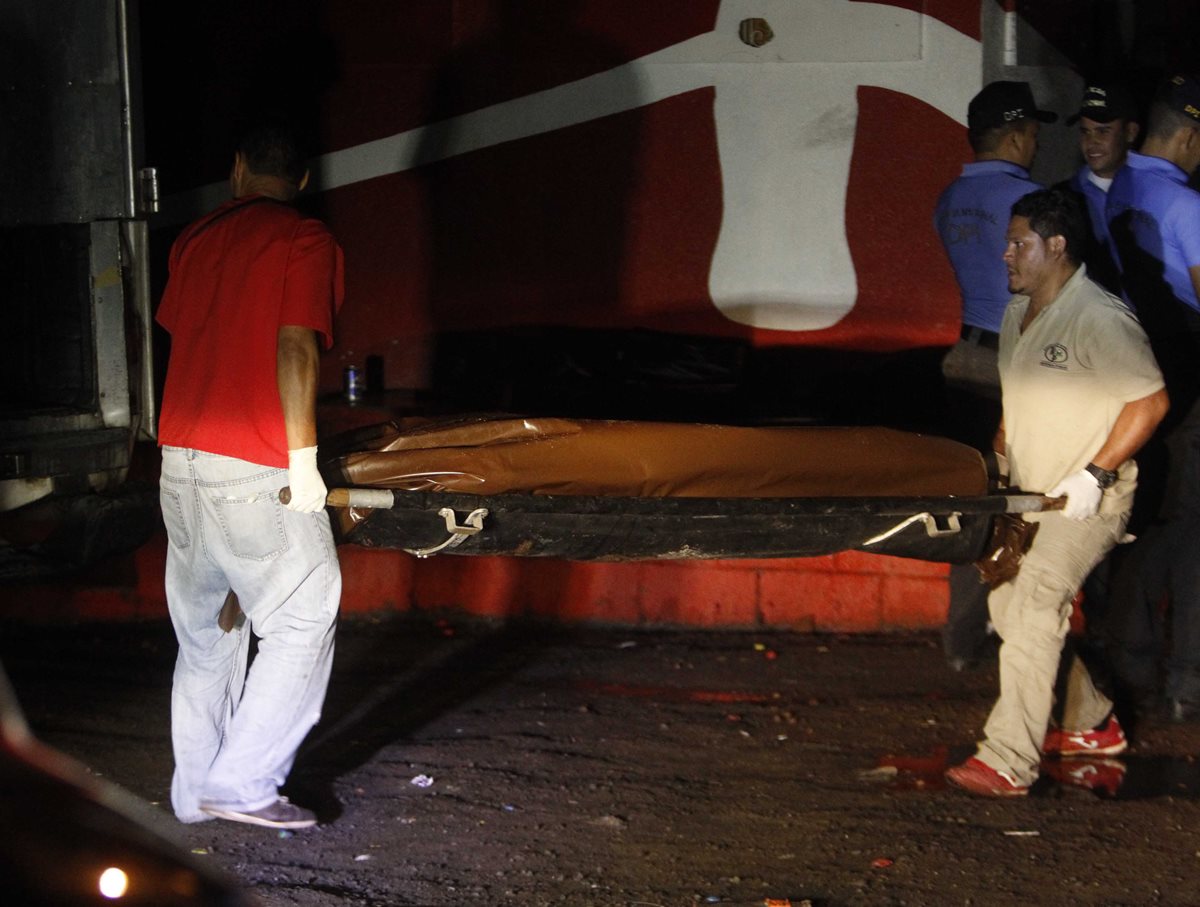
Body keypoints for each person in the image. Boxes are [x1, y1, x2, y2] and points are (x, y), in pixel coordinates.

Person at [945, 189, 1168, 797]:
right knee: (1006, 609)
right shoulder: (1019, 316)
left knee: (1037, 603)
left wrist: (1096, 475)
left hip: (1086, 502)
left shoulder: (1100, 317)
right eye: (1008, 243)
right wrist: (994, 468)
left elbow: (1150, 402)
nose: (1006, 254)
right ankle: (1091, 722)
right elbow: (1013, 412)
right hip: (1028, 497)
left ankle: (1008, 760)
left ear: (1057, 246)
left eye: (1019, 243)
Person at [156, 120, 345, 828]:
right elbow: (294, 346)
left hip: (181, 466)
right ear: (302, 180)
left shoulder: (194, 239)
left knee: (207, 639)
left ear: (237, 170)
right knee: (302, 613)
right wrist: (303, 464)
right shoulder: (306, 238)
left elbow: (190, 340)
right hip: (254, 464)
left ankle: (193, 795)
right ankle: (241, 782)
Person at [934, 81, 1056, 670]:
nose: (1035, 143)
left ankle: (961, 636)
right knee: (1025, 497)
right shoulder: (1033, 201)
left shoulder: (951, 198)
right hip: (1018, 365)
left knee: (975, 494)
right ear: (1014, 136)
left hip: (965, 356)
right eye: (1033, 132)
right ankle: (1015, 630)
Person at [1104, 74, 1200, 720]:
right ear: (1190, 136)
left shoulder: (1122, 190)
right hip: (1191, 369)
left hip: (1137, 367)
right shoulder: (1186, 205)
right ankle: (1188, 679)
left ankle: (1133, 658)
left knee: (1148, 518)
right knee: (1194, 531)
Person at [1061, 80, 1140, 295]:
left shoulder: (1155, 193)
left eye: (1103, 131)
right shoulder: (1063, 199)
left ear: (1131, 132)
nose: (1091, 141)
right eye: (1085, 132)